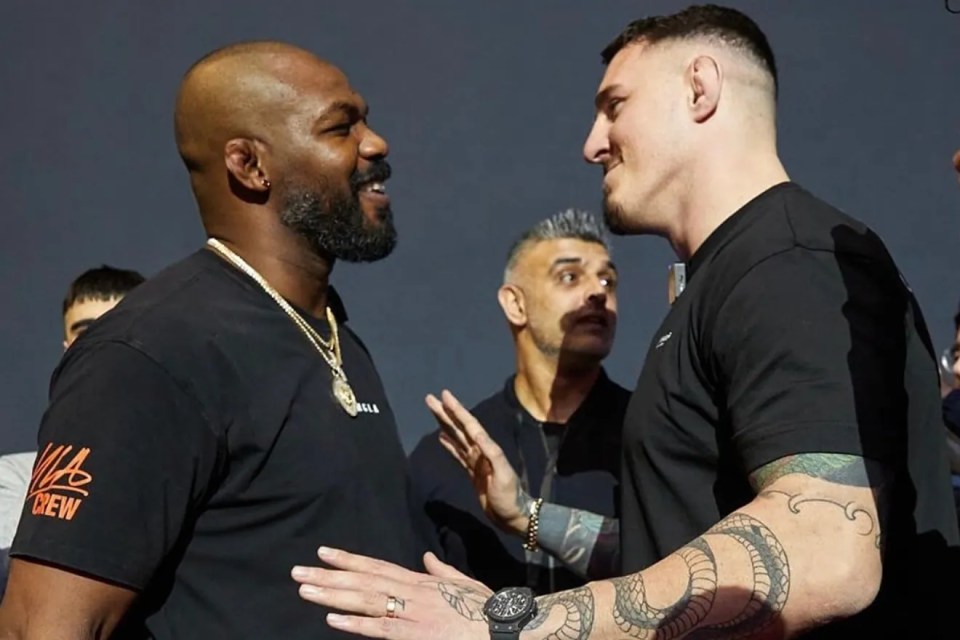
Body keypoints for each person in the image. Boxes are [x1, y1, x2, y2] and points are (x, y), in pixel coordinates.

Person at [290, 5, 959, 639]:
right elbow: (672, 549)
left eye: (615, 107)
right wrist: (526, 519)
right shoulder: (732, 276)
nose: (592, 145)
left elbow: (824, 552)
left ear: (700, 89)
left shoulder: (785, 261)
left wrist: (507, 624)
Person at [0, 41, 424, 639]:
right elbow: (41, 628)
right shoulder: (148, 354)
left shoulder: (332, 333)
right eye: (340, 127)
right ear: (250, 165)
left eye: (366, 120)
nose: (374, 143)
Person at [408, 208, 629, 594]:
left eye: (608, 280)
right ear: (516, 304)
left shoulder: (652, 436)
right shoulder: (447, 458)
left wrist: (528, 516)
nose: (597, 292)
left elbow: (679, 562)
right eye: (569, 277)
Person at [0, 264, 145, 599]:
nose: (103, 345)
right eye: (86, 331)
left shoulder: (201, 467)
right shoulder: (17, 478)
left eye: (121, 327)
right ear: (67, 350)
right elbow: (21, 591)